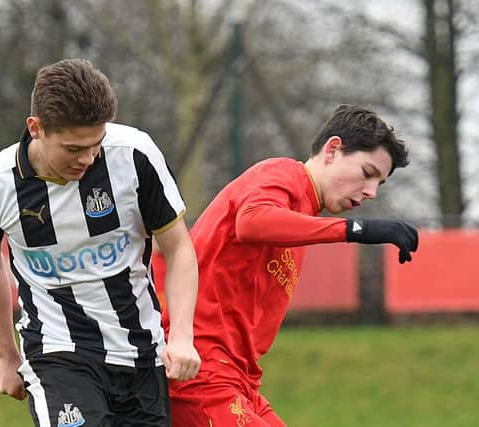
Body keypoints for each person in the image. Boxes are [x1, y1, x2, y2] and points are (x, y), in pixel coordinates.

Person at [0, 58, 201, 426]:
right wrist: (6, 354)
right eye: (73, 148)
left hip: (142, 351)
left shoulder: (136, 155)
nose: (87, 158)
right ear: (36, 128)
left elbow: (179, 248)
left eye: (96, 145)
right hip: (57, 351)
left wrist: (182, 335)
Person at [162, 104, 419, 426]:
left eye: (379, 184)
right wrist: (357, 230)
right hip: (200, 371)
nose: (370, 192)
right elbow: (252, 222)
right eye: (367, 174)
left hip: (239, 380)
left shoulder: (300, 218)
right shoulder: (281, 173)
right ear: (333, 149)